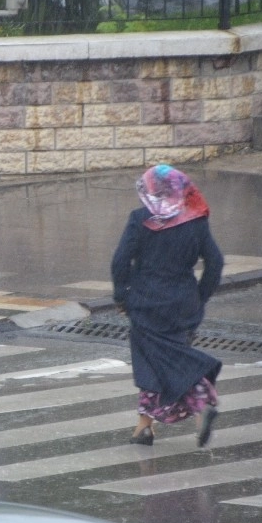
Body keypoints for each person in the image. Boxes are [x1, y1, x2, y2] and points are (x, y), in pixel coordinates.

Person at [110, 164, 224, 449]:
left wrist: (121, 296)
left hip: (146, 302)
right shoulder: (195, 222)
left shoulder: (140, 220)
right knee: (163, 358)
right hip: (183, 302)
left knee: (155, 361)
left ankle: (199, 404)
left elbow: (120, 261)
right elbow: (215, 262)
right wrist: (200, 296)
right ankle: (143, 428)